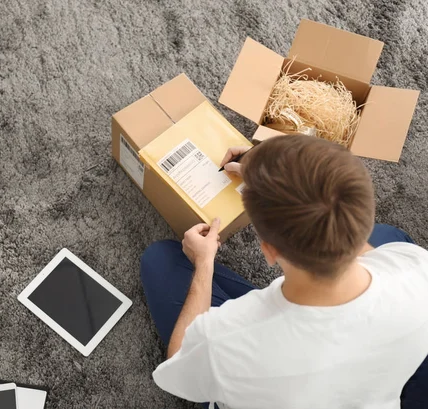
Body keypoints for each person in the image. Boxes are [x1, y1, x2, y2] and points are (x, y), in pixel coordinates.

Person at [140, 134, 428, 409]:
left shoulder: (229, 340)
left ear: (269, 251)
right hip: (380, 375)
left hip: (285, 378)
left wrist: (203, 264)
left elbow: (178, 362)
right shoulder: (415, 265)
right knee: (388, 235)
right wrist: (280, 175)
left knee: (160, 260)